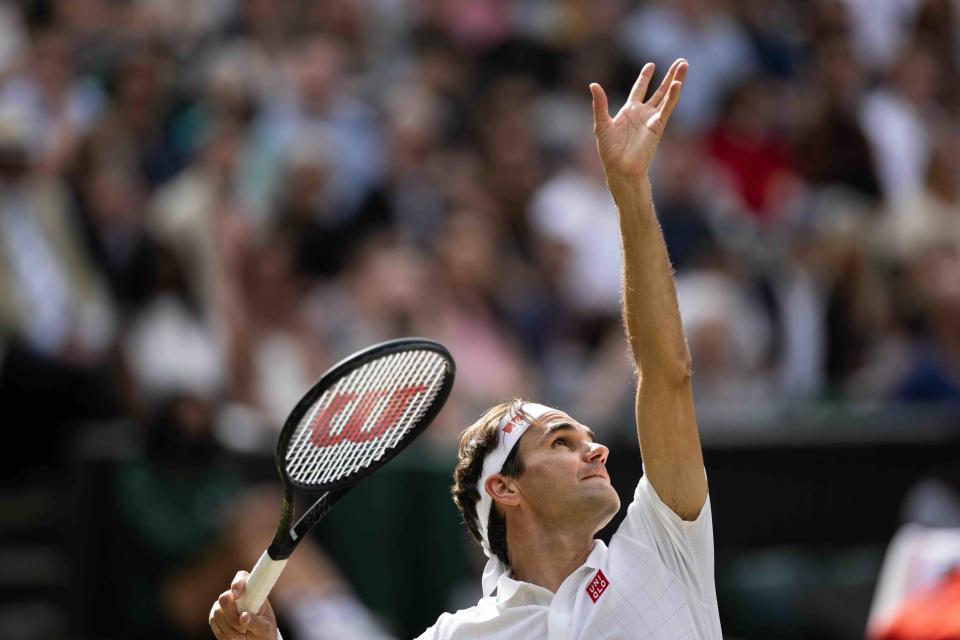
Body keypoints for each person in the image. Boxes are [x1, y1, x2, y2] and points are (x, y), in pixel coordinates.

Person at [209, 57, 722, 639]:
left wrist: (630, 190)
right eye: (562, 440)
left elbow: (665, 372)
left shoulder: (663, 541)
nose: (598, 450)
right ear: (506, 488)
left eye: (584, 437)